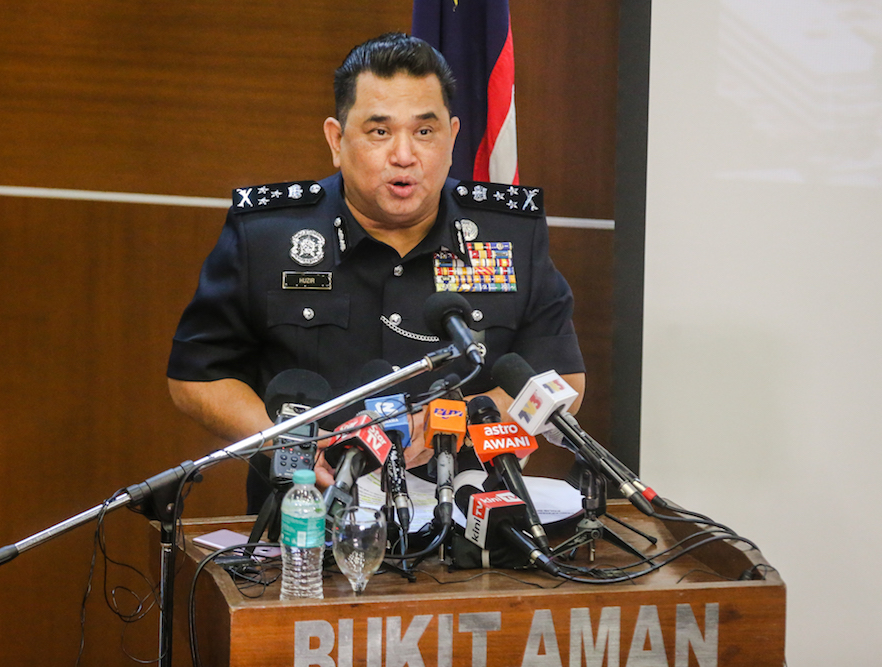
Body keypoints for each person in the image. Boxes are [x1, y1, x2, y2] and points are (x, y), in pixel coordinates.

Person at [166, 33, 585, 511]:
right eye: (379, 132)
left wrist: (461, 419)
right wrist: (293, 440)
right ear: (336, 140)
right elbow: (197, 377)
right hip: (304, 524)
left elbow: (562, 380)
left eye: (424, 132)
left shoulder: (507, 235)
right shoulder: (268, 235)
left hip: (471, 521)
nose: (404, 155)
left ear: (451, 138)